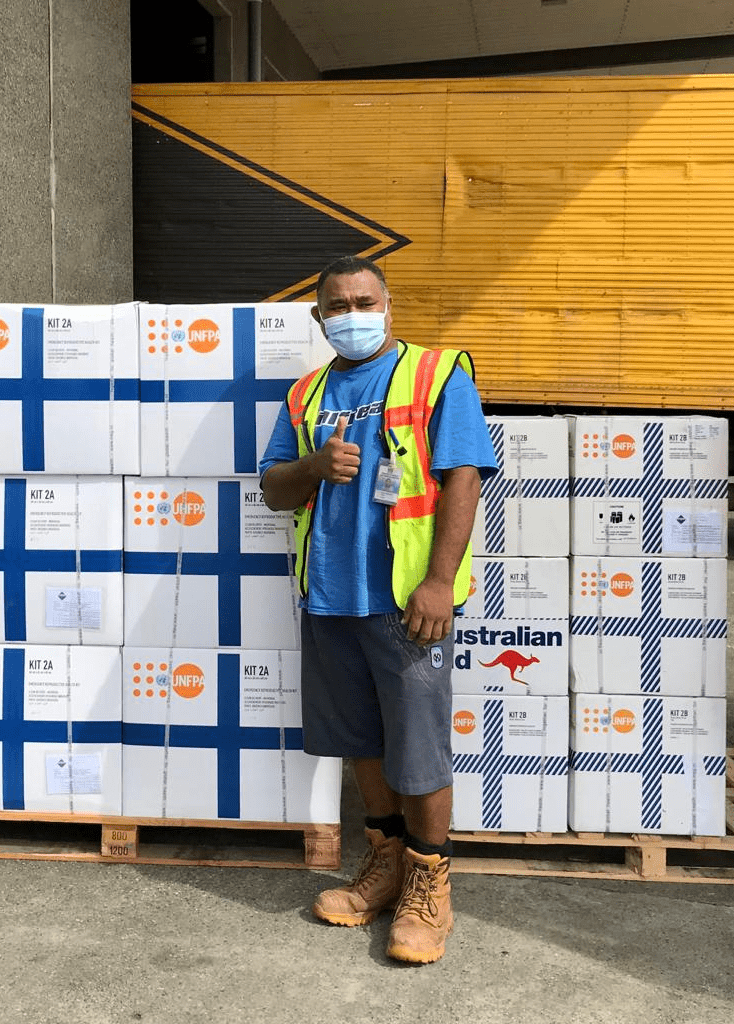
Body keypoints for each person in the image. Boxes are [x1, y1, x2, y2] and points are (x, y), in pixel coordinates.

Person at [259, 255, 497, 964]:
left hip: (402, 600)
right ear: (319, 317)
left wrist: (438, 580)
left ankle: (429, 884)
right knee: (360, 740)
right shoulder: (305, 394)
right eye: (338, 305)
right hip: (328, 597)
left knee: (418, 748)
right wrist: (312, 468)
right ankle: (386, 864)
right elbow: (273, 488)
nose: (352, 314)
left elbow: (463, 478)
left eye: (364, 301)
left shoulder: (436, 373)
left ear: (388, 306)